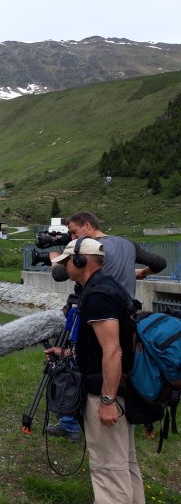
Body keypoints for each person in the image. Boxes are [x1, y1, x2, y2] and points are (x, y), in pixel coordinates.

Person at [46, 211, 166, 440]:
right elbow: (160, 263)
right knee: (122, 365)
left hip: (97, 311)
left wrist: (54, 260)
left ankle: (71, 421)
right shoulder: (126, 243)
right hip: (127, 315)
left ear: (88, 226)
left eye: (74, 232)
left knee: (76, 365)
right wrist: (141, 273)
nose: (72, 238)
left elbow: (61, 275)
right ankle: (132, 415)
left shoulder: (89, 249)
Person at [46, 237, 144, 504]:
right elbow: (104, 347)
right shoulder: (107, 288)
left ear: (81, 261)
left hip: (107, 390)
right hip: (121, 386)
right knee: (124, 462)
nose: (65, 267)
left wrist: (107, 401)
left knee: (108, 469)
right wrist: (66, 353)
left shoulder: (98, 296)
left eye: (67, 261)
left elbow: (113, 351)